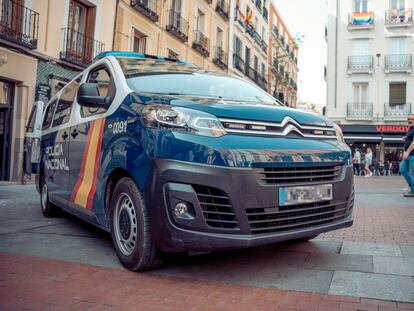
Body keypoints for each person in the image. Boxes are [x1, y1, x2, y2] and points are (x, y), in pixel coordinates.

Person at [400, 114, 414, 197]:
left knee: (413, 173)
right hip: (408, 154)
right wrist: (406, 138)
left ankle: (413, 191)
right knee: (403, 170)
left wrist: (407, 152)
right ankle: (412, 186)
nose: (410, 120)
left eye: (412, 119)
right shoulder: (410, 129)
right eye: (408, 119)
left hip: (412, 154)